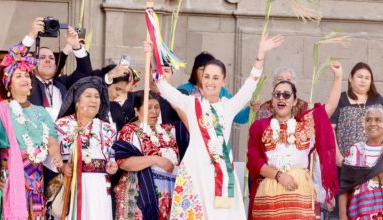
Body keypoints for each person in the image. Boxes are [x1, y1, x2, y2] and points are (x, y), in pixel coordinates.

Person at [149, 33, 284, 219]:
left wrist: (260, 55)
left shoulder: (229, 106)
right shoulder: (190, 103)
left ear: (223, 81)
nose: (210, 82)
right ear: (201, 79)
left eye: (215, 77)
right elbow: (164, 87)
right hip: (195, 174)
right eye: (206, 77)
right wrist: (153, 57)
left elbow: (249, 86)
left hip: (221, 178)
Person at [246, 61, 343, 219]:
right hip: (270, 192)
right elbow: (254, 161)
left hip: (299, 193)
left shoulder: (305, 124)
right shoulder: (259, 126)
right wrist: (279, 176)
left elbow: (330, 107)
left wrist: (338, 77)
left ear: (294, 101)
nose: (281, 98)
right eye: (277, 94)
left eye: (286, 95)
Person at [0, 40, 62, 219]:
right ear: (8, 83)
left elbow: (52, 139)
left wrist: (56, 155)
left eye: (26, 75)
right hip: (10, 176)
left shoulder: (41, 112)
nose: (24, 79)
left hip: (36, 178)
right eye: (18, 76)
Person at [55, 76, 118, 220]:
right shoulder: (62, 125)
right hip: (73, 185)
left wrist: (112, 166)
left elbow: (112, 156)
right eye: (88, 96)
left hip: (100, 186)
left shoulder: (108, 128)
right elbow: (51, 156)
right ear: (77, 101)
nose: (94, 100)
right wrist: (62, 167)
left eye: (97, 96)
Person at [113, 90, 179, 219]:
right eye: (148, 108)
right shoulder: (129, 131)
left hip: (169, 192)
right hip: (142, 193)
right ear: (137, 110)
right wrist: (155, 159)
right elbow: (124, 163)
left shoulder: (168, 130)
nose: (154, 111)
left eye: (156, 107)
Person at [24, 17, 92, 120]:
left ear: (56, 66)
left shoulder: (63, 83)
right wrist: (31, 35)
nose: (48, 60)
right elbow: (14, 60)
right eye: (42, 57)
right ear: (33, 64)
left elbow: (85, 73)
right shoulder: (26, 83)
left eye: (51, 58)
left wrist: (76, 47)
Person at [177, 51, 251, 124]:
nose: (206, 73)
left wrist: (252, 108)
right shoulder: (183, 91)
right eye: (203, 69)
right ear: (194, 71)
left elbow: (239, 117)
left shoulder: (223, 92)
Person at [339, 104, 383, 220]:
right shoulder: (355, 150)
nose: (373, 123)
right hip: (358, 214)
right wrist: (342, 214)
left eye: (378, 120)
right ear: (364, 124)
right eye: (368, 120)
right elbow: (344, 186)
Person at [94, 63, 139, 131]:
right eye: (117, 89)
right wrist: (108, 77)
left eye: (121, 90)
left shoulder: (116, 108)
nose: (119, 94)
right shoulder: (92, 104)